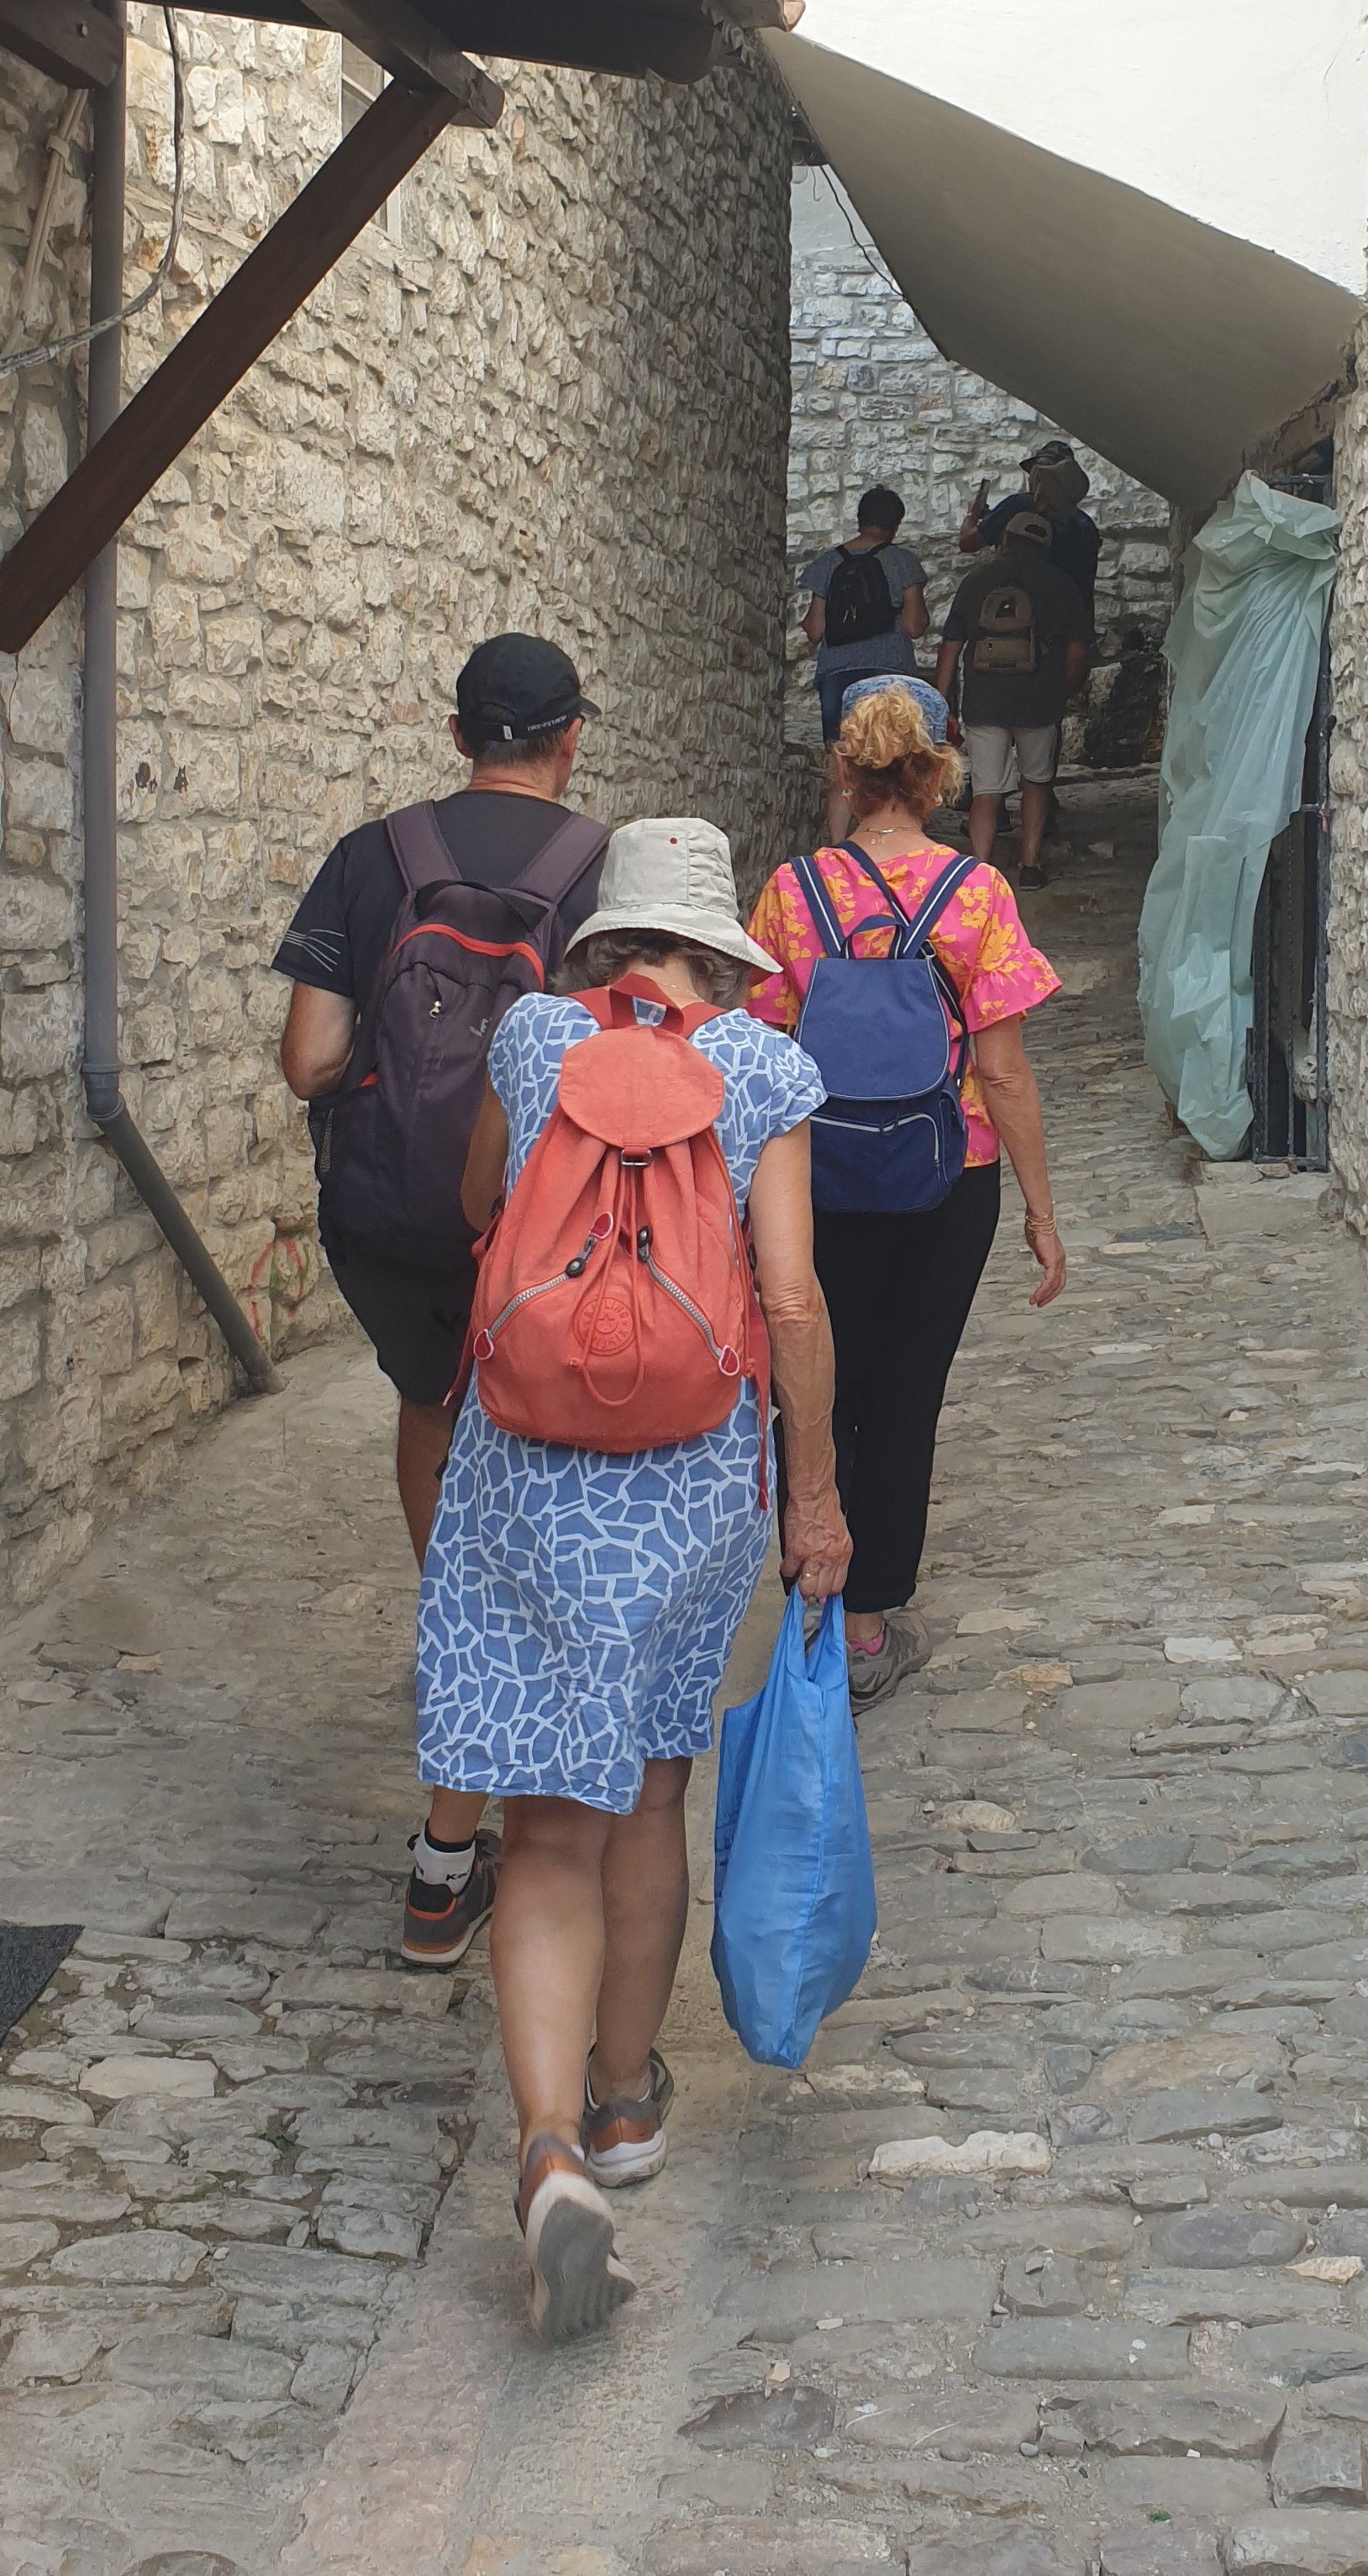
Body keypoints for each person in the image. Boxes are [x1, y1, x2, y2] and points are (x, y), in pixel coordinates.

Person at [419, 815, 850, 2341]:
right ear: (720, 952)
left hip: (526, 1470)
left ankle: (543, 2154)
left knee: (546, 1822)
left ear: (607, 938)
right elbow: (789, 1299)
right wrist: (816, 1498)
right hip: (688, 1483)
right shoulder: (763, 1069)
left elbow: (478, 1210)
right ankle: (620, 2103)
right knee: (652, 1790)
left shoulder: (534, 1037)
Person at [276, 635, 608, 1970]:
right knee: (535, 1447)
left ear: (457, 731)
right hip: (539, 1231)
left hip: (391, 1225)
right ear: (571, 737)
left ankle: (457, 1633)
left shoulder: (376, 856)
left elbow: (309, 1059)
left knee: (432, 1409)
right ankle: (519, 1742)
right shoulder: (600, 869)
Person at [747, 679, 1066, 1709]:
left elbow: (761, 1046)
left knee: (815, 1383)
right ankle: (869, 1626)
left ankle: (812, 1586)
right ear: (937, 778)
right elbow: (1004, 1070)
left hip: (818, 1175)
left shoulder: (791, 891)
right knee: (905, 1393)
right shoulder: (977, 894)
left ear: (844, 771)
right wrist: (1041, 1212)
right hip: (948, 1173)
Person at [937, 508, 1092, 890]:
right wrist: (1062, 693)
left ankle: (980, 868)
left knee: (986, 789)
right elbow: (1076, 653)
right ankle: (1030, 865)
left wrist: (942, 703)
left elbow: (950, 648)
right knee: (1036, 781)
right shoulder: (1061, 584)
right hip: (1038, 701)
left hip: (984, 699)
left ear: (1005, 539)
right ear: (1045, 547)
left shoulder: (976, 581)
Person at [798, 485, 930, 840]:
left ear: (859, 520)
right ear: (896, 524)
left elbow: (814, 629)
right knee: (895, 763)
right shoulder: (902, 562)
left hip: (838, 679)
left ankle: (839, 847)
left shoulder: (828, 564)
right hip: (890, 676)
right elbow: (915, 626)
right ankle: (892, 842)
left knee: (844, 767)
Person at [960, 438, 1102, 614]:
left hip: (1029, 617)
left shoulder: (1019, 506)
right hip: (1074, 619)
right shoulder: (1086, 525)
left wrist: (972, 515)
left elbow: (967, 542)